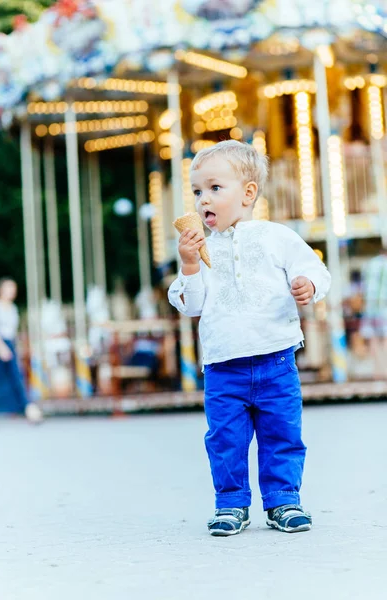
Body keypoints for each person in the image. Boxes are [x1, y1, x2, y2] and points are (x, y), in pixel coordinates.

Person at [168, 140, 331, 536]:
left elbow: (315, 269)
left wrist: (308, 283)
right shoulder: (200, 249)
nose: (203, 199)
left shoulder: (277, 237)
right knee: (225, 440)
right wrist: (190, 265)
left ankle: (283, 501)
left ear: (248, 193)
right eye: (196, 191)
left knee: (283, 435)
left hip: (276, 360)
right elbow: (191, 304)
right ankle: (231, 503)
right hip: (224, 365)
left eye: (214, 189)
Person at [0, 278, 43, 424]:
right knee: (5, 378)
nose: (12, 291)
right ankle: (28, 407)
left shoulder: (12, 308)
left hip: (10, 344)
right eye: (8, 288)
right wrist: (0, 348)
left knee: (11, 377)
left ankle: (27, 407)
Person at [360, 250, 387, 379]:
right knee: (384, 340)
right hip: (383, 307)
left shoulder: (370, 264)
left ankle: (378, 372)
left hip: (370, 308)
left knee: (374, 340)